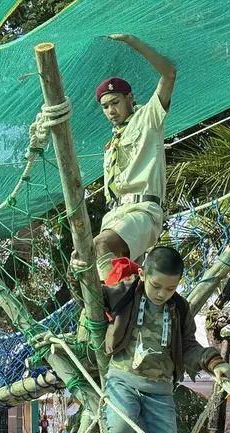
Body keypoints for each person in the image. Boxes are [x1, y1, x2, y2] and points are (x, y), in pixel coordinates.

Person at [71, 246, 230, 433]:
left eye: (171, 288)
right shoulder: (124, 293)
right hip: (123, 379)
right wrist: (79, 269)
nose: (162, 293)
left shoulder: (179, 309)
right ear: (142, 274)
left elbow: (188, 345)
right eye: (156, 285)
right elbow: (88, 296)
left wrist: (213, 361)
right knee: (119, 427)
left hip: (160, 391)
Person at [93, 35, 176, 281]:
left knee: (101, 245)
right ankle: (113, 314)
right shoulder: (109, 146)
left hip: (142, 210)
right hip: (114, 215)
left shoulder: (148, 118)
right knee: (81, 262)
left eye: (115, 102)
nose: (111, 111)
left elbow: (169, 73)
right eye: (105, 107)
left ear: (130, 98)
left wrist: (131, 41)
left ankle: (113, 303)